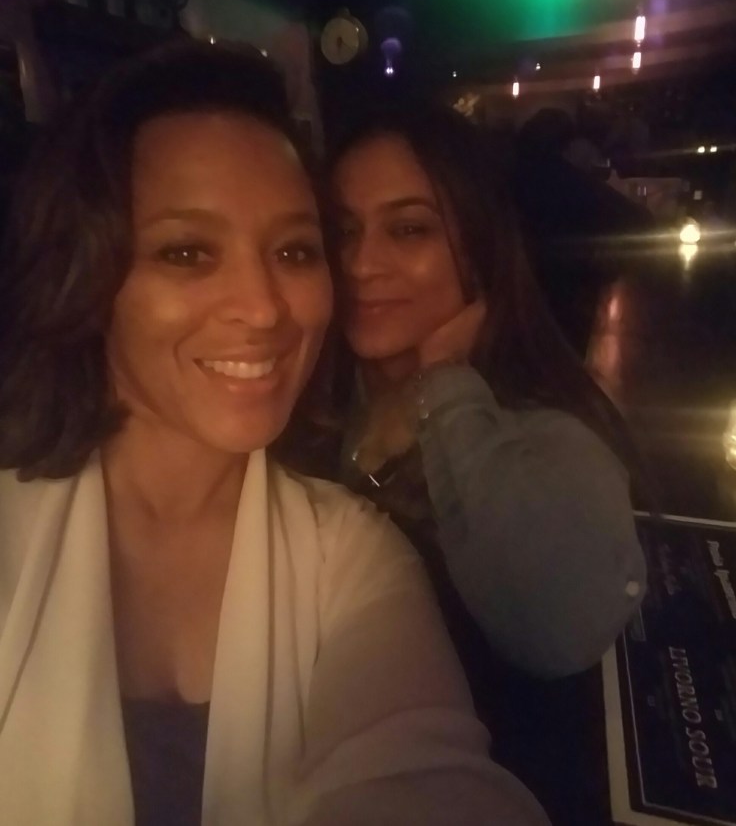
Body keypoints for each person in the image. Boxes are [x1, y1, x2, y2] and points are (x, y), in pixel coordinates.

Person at [0, 44, 550, 826]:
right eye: (188, 252)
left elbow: (427, 776)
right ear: (87, 276)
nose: (263, 307)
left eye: (294, 251)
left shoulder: (351, 560)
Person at [323, 101, 647, 682]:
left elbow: (564, 627)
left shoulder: (541, 427)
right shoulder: (311, 386)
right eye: (345, 231)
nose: (361, 264)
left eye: (409, 229)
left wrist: (445, 379)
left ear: (479, 248)